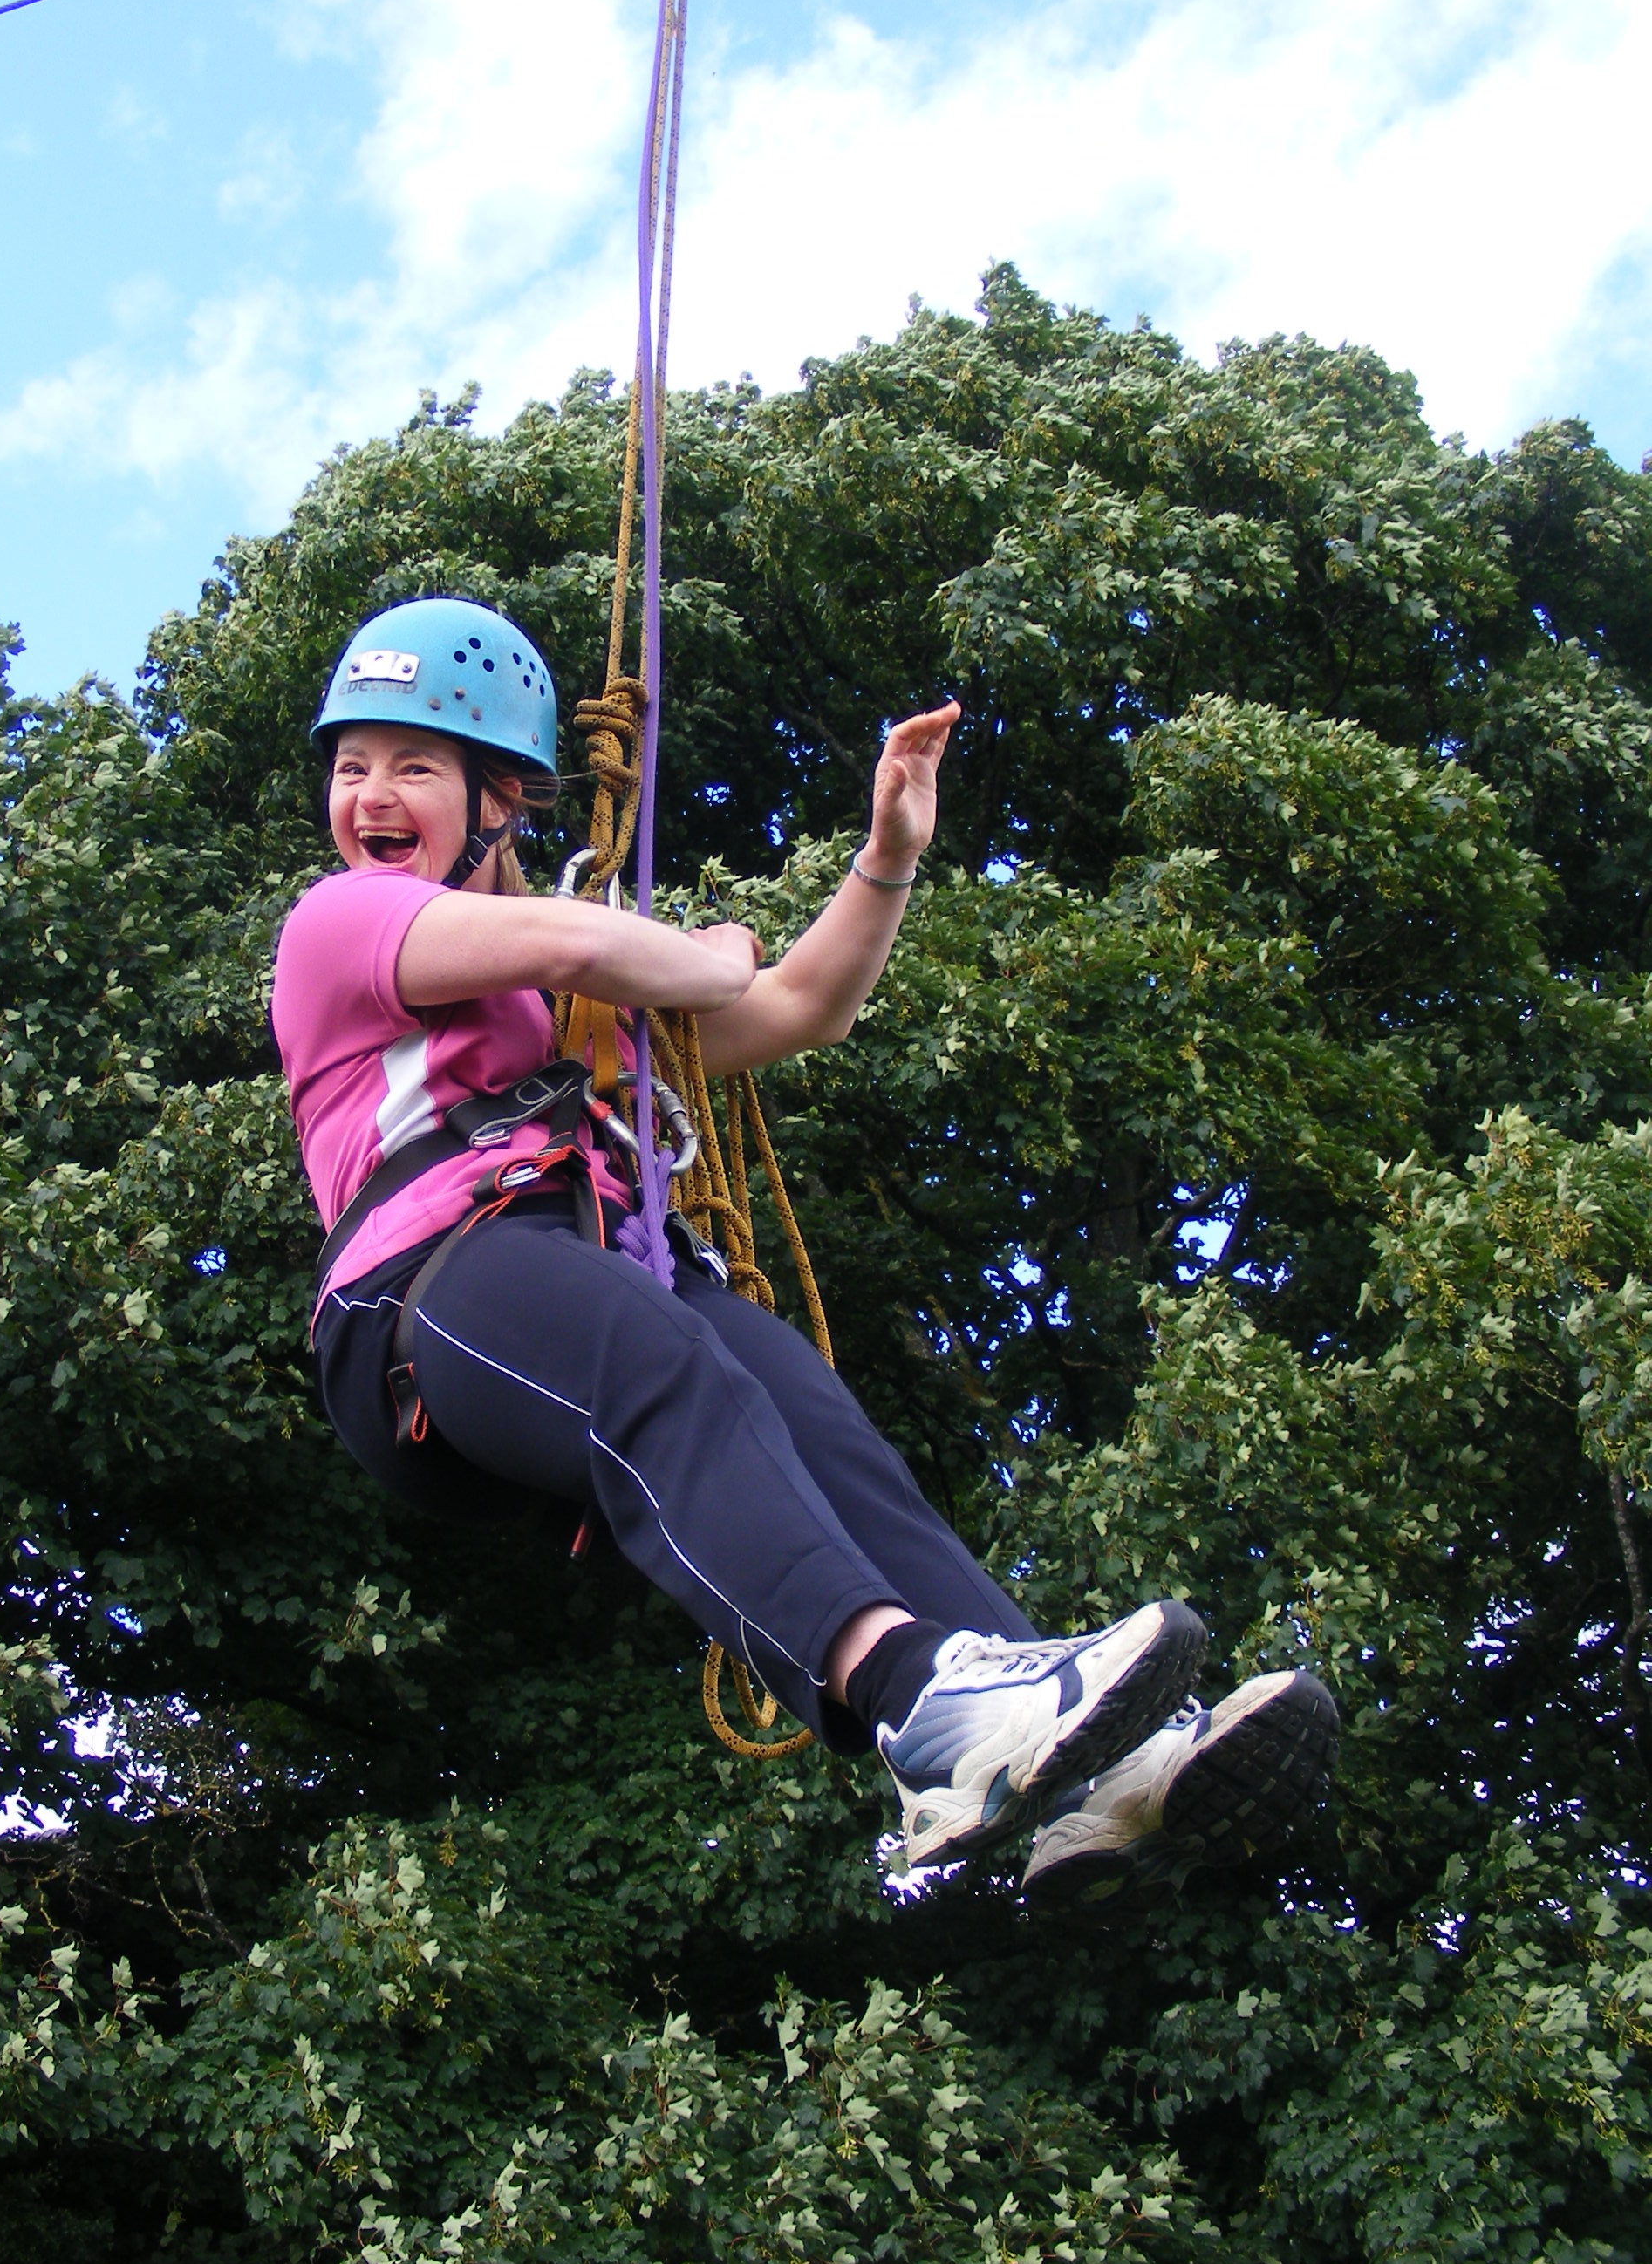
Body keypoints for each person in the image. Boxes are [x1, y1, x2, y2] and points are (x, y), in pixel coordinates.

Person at [272, 599, 1337, 1904]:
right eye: (353, 765)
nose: (371, 795)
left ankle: (1095, 1771)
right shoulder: (342, 924)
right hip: (428, 1301)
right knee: (655, 1351)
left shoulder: (555, 1015)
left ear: (502, 798)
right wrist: (704, 955)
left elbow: (801, 1009)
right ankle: (915, 1704)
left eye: (414, 766)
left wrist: (886, 855)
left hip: (579, 1266)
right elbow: (595, 940)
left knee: (828, 1440)